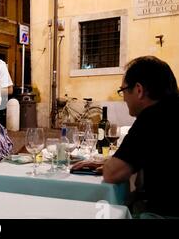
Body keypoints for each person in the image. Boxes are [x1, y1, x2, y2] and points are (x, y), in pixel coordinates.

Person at [71, 56, 179, 218]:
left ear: (139, 90)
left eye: (122, 91)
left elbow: (112, 174)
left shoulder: (151, 118)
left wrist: (110, 165)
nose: (123, 98)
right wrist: (108, 162)